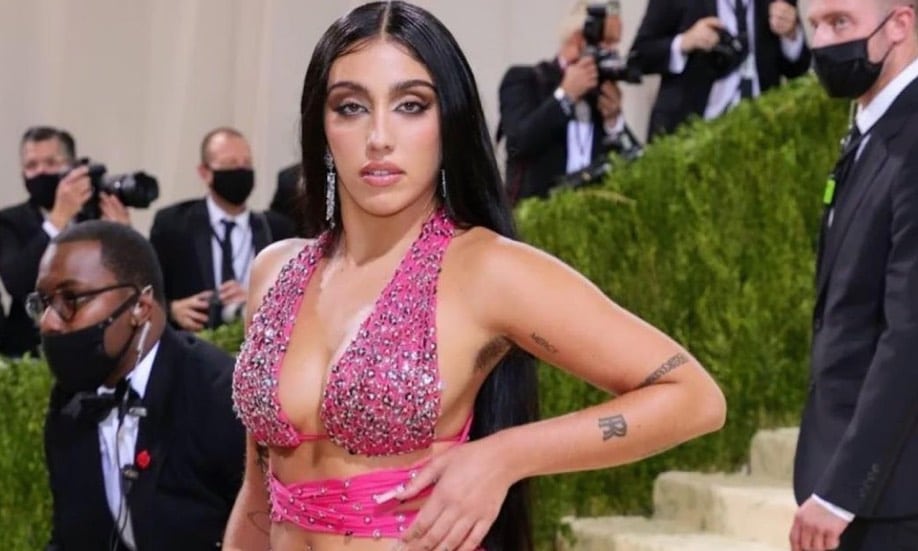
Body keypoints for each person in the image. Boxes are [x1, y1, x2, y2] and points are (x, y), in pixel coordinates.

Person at [225, 2, 726, 550]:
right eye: (351, 107)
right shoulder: (275, 272)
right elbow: (257, 493)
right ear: (321, 126)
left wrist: (505, 456)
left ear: (450, 122)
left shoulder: (485, 269)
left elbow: (692, 397)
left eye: (411, 105)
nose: (379, 137)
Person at [790, 1, 918, 550]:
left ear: (900, 23)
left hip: (891, 499)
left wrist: (843, 493)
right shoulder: (871, 131)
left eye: (840, 22)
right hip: (853, 484)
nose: (822, 42)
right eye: (815, 25)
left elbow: (909, 335)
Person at [34, 220, 245, 550]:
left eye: (70, 299)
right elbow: (71, 538)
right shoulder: (69, 401)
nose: (48, 321)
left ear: (140, 307)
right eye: (44, 303)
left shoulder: (220, 395)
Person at [149, 127, 294, 332]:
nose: (241, 171)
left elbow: (296, 296)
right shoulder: (173, 224)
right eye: (230, 164)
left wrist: (257, 300)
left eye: (247, 164)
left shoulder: (277, 228)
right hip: (193, 341)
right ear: (205, 172)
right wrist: (171, 309)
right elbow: (148, 291)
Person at [0, 126, 129, 357]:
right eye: (32, 165)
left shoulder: (96, 216)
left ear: (73, 167)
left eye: (51, 163)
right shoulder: (9, 221)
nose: (41, 172)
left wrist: (124, 238)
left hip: (95, 344)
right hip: (32, 351)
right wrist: (57, 220)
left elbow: (128, 280)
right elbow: (18, 283)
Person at [498, 0, 641, 203]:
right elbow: (518, 144)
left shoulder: (600, 93)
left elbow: (635, 159)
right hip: (536, 212)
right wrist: (565, 96)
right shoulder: (525, 80)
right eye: (607, 43)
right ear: (579, 39)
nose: (613, 52)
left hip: (591, 213)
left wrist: (614, 121)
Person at [630, 0, 811, 138]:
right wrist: (684, 42)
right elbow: (640, 54)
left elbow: (798, 69)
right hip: (694, 134)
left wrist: (791, 34)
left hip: (761, 134)